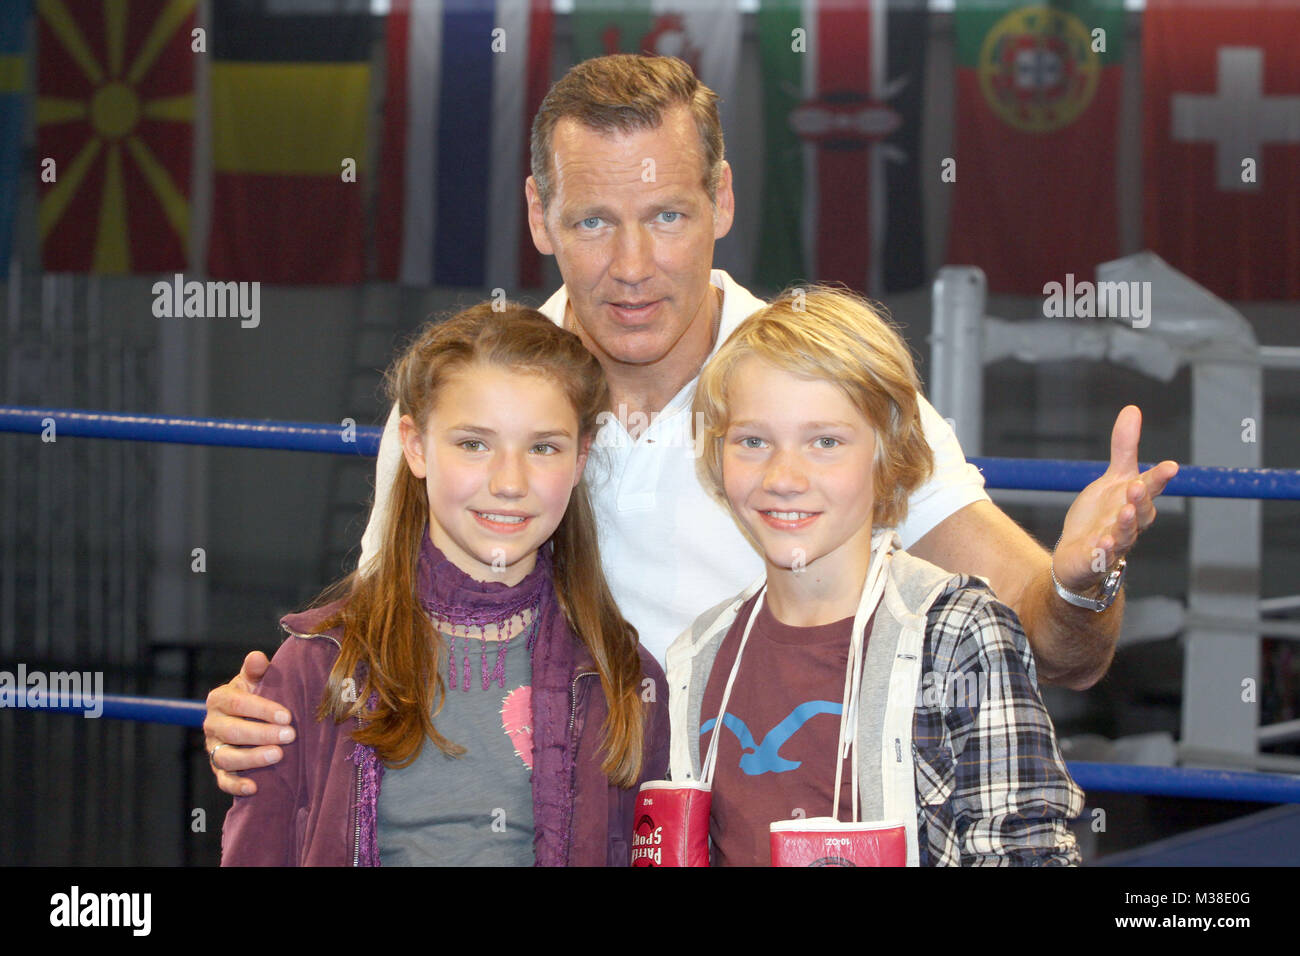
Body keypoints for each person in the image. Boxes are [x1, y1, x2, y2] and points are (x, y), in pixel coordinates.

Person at [205, 54, 1177, 797]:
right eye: (594, 222)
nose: (632, 264)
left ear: (719, 198)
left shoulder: (828, 389)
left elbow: (1057, 647)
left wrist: (1082, 582)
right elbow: (379, 645)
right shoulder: (471, 405)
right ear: (539, 216)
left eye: (666, 215)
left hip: (780, 827)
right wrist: (268, 709)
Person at [220, 303, 668, 865]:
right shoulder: (317, 666)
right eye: (474, 444)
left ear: (580, 459)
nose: (509, 482)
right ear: (414, 446)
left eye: (543, 447)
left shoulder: (623, 679)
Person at [668, 287, 1082, 865]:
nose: (783, 476)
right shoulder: (699, 653)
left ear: (886, 453)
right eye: (753, 441)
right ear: (716, 455)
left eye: (825, 442)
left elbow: (1028, 853)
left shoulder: (959, 636)